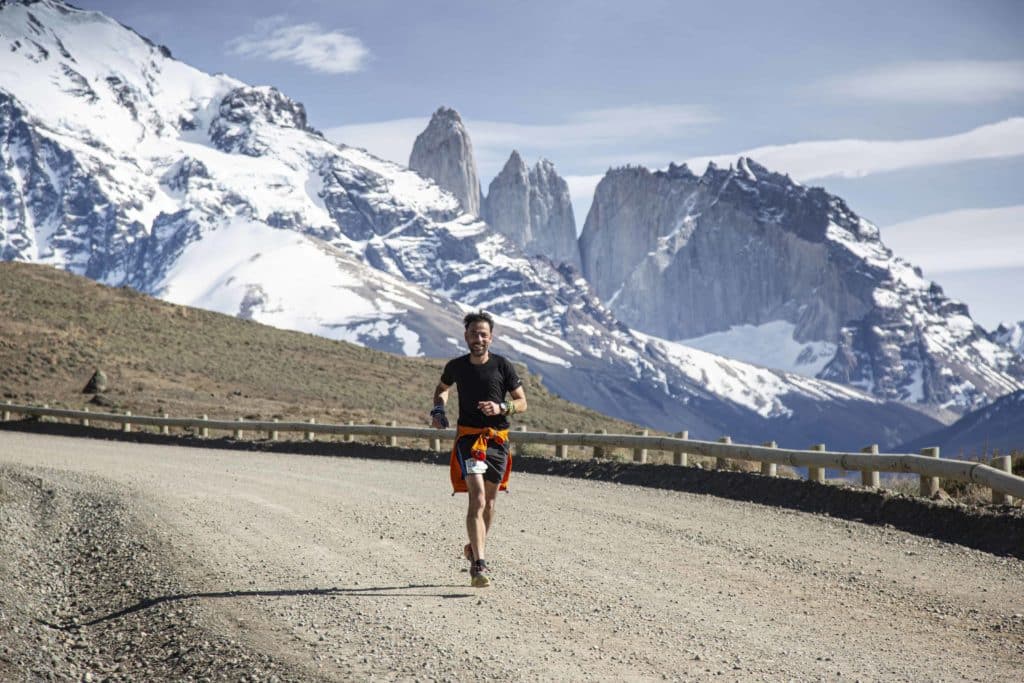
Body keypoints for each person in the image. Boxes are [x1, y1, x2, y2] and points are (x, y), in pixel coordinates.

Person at [431, 311, 527, 588]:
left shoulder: (503, 366)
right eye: (474, 333)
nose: (478, 338)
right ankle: (479, 564)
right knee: (478, 498)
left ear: (490, 337)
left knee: (491, 503)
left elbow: (522, 402)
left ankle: (474, 547)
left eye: (483, 334)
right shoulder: (457, 366)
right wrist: (438, 408)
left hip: (497, 440)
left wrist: (502, 407)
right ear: (466, 336)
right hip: (470, 440)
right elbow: (442, 388)